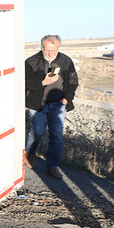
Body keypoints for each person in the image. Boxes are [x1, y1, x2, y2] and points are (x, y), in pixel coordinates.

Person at [24, 34, 78, 179]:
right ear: (42, 47)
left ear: (59, 48)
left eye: (53, 50)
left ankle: (52, 166)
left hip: (58, 104)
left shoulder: (65, 61)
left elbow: (73, 82)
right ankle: (29, 153)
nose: (50, 54)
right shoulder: (31, 62)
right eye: (47, 50)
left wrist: (67, 99)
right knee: (37, 132)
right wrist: (43, 82)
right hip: (38, 104)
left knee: (57, 136)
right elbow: (24, 83)